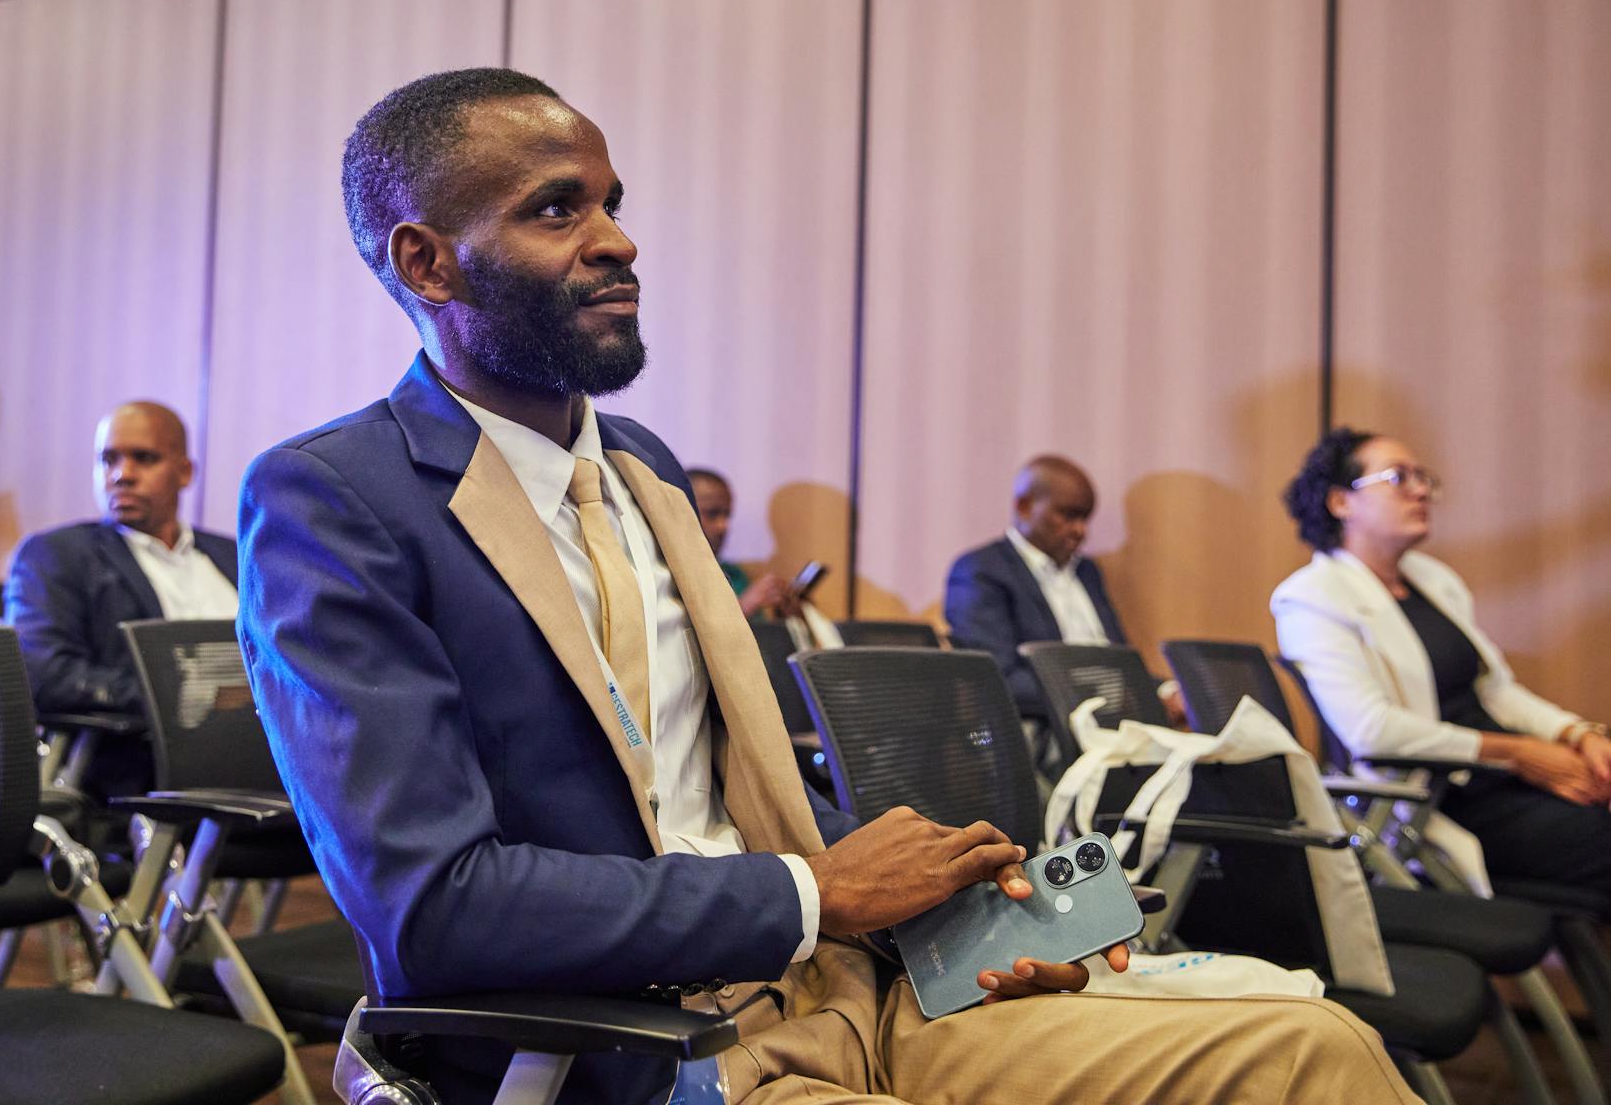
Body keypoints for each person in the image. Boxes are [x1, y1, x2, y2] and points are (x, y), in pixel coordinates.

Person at [237, 68, 1416, 1105]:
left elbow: (718, 797)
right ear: (426, 259)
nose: (617, 239)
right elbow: (435, 905)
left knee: (1310, 1047)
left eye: (612, 203)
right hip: (631, 1052)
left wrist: (954, 908)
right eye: (557, 208)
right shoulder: (335, 500)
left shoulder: (640, 465)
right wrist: (813, 889)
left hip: (844, 993)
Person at [1274, 427, 1611, 895]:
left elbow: (1495, 690)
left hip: (1503, 779)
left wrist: (1577, 734)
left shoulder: (1432, 579)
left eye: (1423, 478)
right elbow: (1370, 730)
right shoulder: (1311, 597)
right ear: (1340, 502)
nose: (1420, 490)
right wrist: (1518, 754)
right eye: (1398, 478)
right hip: (1439, 800)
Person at [4, 401, 237, 791]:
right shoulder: (59, 556)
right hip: (149, 767)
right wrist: (191, 697)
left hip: (271, 756)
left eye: (144, 459)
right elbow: (45, 677)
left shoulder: (235, 556)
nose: (122, 475)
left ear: (184, 472)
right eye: (108, 459)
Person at [944, 456, 1182, 724]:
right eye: (1069, 516)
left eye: (1085, 519)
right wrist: (1104, 694)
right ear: (1024, 506)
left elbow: (1117, 661)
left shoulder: (1087, 572)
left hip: (1111, 722)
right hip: (1046, 729)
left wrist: (1166, 691)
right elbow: (996, 679)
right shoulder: (982, 570)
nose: (1081, 531)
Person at [687, 466, 798, 618]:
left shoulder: (735, 575)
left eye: (727, 515)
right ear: (683, 511)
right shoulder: (668, 576)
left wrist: (789, 615)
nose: (723, 526)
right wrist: (744, 606)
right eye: (712, 514)